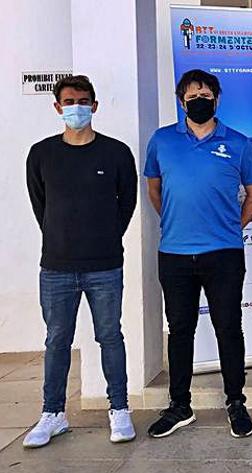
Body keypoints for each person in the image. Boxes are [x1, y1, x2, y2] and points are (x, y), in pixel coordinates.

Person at [144, 69, 252, 439]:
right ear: (181, 101)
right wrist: (177, 223)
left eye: (206, 94)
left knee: (228, 328)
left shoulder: (239, 143)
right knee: (180, 330)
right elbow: (154, 189)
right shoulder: (162, 141)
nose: (200, 99)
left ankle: (236, 402)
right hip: (175, 255)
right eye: (193, 94)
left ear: (217, 99)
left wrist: (232, 226)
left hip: (224, 254)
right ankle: (180, 406)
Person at [23, 75, 138, 448]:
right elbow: (42, 205)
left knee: (110, 336)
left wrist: (103, 236)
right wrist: (62, 236)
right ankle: (52, 413)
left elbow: (127, 203)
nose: (76, 107)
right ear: (57, 107)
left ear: (95, 106)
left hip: (104, 265)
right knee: (57, 340)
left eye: (83, 101)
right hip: (56, 266)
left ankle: (119, 409)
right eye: (69, 101)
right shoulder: (41, 153)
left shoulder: (116, 153)